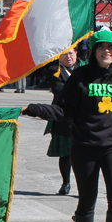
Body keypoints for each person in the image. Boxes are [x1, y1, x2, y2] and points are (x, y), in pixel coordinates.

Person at [23, 30, 112, 222]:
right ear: (93, 51)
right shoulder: (81, 77)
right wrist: (34, 109)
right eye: (102, 47)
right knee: (87, 200)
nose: (107, 51)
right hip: (84, 147)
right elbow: (64, 111)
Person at [44, 48, 79, 195]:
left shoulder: (83, 69)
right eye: (65, 54)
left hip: (82, 117)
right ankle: (66, 183)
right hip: (63, 116)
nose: (68, 57)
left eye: (71, 53)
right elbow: (59, 89)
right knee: (65, 154)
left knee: (82, 155)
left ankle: (83, 185)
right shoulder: (54, 70)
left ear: (76, 54)